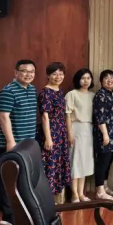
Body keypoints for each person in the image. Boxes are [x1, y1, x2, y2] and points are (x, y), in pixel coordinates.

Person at [0, 59, 38, 225]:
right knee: (11, 178)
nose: (28, 74)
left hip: (28, 142)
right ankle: (8, 216)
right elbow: (3, 117)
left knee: (23, 178)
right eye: (24, 71)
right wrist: (10, 141)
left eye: (32, 71)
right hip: (14, 143)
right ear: (15, 73)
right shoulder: (8, 91)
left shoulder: (32, 89)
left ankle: (22, 212)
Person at [37, 62, 72, 202]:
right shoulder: (45, 93)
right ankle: (47, 201)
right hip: (51, 132)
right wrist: (48, 138)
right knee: (50, 165)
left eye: (61, 74)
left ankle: (58, 200)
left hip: (60, 132)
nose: (58, 77)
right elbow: (45, 117)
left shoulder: (59, 91)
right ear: (48, 75)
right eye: (54, 74)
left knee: (59, 164)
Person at [65, 68, 95, 202]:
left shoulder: (93, 95)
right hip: (76, 128)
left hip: (88, 130)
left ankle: (81, 193)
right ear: (78, 80)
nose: (85, 81)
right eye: (83, 78)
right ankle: (74, 194)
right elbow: (67, 115)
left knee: (84, 162)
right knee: (75, 161)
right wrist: (70, 132)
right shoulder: (72, 94)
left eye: (88, 78)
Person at [93, 69, 113, 200]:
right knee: (102, 162)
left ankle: (105, 187)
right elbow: (100, 117)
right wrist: (105, 134)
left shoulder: (112, 93)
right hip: (105, 134)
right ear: (101, 81)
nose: (110, 80)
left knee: (108, 161)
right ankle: (99, 191)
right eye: (106, 78)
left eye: (112, 77)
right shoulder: (101, 95)